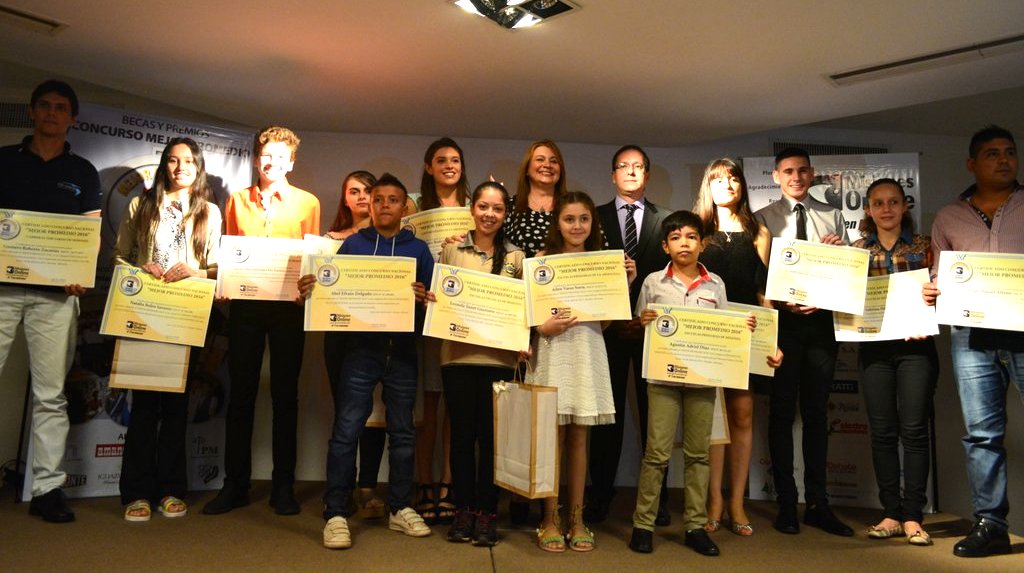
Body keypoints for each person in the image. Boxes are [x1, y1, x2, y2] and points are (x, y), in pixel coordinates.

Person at [299, 173, 435, 550]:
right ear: (370, 206)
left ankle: (400, 507)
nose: (385, 205)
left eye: (393, 200)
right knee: (347, 429)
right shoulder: (354, 244)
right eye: (379, 200)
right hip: (360, 350)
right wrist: (311, 289)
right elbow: (333, 291)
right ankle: (335, 513)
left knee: (403, 432)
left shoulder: (419, 250)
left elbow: (432, 303)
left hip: (403, 351)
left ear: (405, 207)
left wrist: (423, 296)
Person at [626, 210, 763, 557]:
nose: (683, 243)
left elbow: (724, 331)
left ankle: (695, 526)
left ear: (702, 244)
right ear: (665, 246)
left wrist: (742, 328)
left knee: (698, 455)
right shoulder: (653, 282)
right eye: (675, 238)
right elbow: (638, 327)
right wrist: (642, 321)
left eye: (690, 237)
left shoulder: (715, 284)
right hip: (662, 379)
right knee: (656, 454)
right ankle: (643, 525)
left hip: (703, 381)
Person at [203, 126, 320, 516]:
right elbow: (231, 251)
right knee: (241, 394)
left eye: (280, 156)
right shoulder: (237, 201)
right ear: (256, 159)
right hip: (247, 308)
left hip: (288, 309)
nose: (272, 162)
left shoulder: (308, 203)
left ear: (291, 162)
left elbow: (311, 260)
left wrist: (306, 286)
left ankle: (283, 487)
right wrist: (225, 281)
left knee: (286, 396)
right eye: (266, 155)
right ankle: (235, 485)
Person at [0, 80, 100, 523]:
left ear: (72, 118)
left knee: (51, 395)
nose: (52, 113)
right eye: (44, 105)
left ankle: (46, 489)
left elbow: (89, 234)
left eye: (61, 108)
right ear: (32, 111)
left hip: (56, 298)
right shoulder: (4, 159)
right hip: (1, 289)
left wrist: (80, 274)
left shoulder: (83, 172)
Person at [923, 125, 1022, 558]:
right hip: (971, 337)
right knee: (982, 435)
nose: (1004, 160)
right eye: (992, 153)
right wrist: (931, 289)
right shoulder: (948, 217)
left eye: (1010, 152)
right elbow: (939, 275)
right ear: (972, 163)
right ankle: (992, 526)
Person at [114, 138, 222, 521]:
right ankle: (136, 493)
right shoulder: (140, 205)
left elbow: (217, 269)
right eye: (173, 160)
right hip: (145, 312)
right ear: (164, 165)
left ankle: (172, 489)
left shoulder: (209, 212)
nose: (181, 167)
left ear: (198, 167)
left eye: (188, 161)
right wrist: (139, 270)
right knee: (144, 406)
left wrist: (194, 272)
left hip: (186, 315)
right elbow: (119, 257)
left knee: (177, 406)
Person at [753, 147, 853, 536]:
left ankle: (817, 504)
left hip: (822, 325)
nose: (796, 177)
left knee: (816, 415)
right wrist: (783, 302)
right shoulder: (763, 218)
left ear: (812, 174)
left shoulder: (833, 216)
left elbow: (846, 274)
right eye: (788, 171)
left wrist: (840, 254)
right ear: (776, 176)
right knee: (780, 414)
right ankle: (786, 503)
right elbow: (760, 278)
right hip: (783, 326)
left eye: (802, 170)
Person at [529, 191, 634, 553]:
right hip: (552, 351)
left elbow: (603, 323)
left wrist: (624, 284)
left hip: (588, 350)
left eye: (584, 219)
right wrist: (543, 328)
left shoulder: (603, 262)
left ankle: (577, 519)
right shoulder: (541, 261)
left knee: (579, 440)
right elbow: (531, 319)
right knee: (552, 440)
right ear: (557, 223)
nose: (577, 226)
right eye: (569, 219)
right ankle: (549, 519)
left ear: (593, 223)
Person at [428, 181, 524, 547]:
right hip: (457, 357)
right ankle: (463, 510)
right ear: (472, 209)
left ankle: (487, 512)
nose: (489, 214)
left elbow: (523, 307)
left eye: (497, 209)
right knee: (462, 438)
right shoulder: (451, 249)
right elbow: (440, 296)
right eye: (483, 206)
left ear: (505, 214)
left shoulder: (516, 258)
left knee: (491, 440)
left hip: (498, 360)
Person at [693, 158, 780, 536]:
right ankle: (713, 499)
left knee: (742, 417)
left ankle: (736, 502)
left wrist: (771, 341)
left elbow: (764, 293)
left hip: (747, 335)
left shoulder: (758, 231)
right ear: (708, 187)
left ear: (742, 186)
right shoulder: (697, 231)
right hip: (707, 337)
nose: (727, 185)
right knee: (714, 422)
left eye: (733, 179)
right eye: (719, 180)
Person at [852, 178, 938, 546]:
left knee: (915, 432)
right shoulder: (856, 252)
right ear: (868, 210)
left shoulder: (925, 247)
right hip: (874, 351)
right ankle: (890, 512)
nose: (886, 209)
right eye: (878, 203)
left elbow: (944, 293)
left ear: (905, 206)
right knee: (883, 433)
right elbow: (843, 299)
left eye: (893, 202)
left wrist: (933, 300)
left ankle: (913, 515)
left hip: (916, 350)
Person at [589, 145, 671, 524]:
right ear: (613, 175)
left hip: (654, 331)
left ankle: (657, 500)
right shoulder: (594, 218)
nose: (631, 171)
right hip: (607, 330)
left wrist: (643, 317)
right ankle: (600, 496)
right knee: (608, 416)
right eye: (624, 166)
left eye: (638, 166)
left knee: (656, 417)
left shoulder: (665, 220)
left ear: (647, 175)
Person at [324, 170, 388, 518]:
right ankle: (343, 488)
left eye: (368, 190)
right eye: (354, 191)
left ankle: (368, 487)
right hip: (338, 335)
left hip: (377, 333)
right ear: (345, 199)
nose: (362, 196)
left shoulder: (391, 239)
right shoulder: (326, 241)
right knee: (346, 413)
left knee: (374, 414)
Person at [415, 137, 467, 524]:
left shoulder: (474, 207)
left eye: (455, 160)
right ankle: (423, 483)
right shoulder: (414, 206)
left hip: (463, 315)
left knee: (455, 405)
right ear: (429, 167)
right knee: (429, 404)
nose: (449, 165)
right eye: (441, 160)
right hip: (427, 313)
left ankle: (448, 483)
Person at [506, 139, 567, 258]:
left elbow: (596, 245)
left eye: (554, 161)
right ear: (527, 169)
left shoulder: (574, 206)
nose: (547, 165)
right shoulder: (509, 206)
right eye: (540, 159)